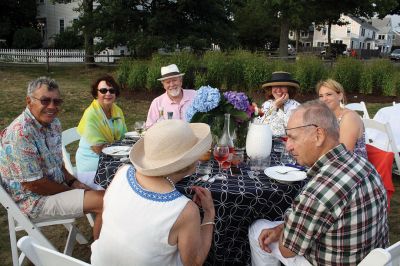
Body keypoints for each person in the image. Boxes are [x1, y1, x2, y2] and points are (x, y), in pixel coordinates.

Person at [248, 100, 388, 265]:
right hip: (369, 258)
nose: (288, 147)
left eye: (293, 137)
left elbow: (287, 250)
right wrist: (282, 228)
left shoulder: (319, 191)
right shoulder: (365, 166)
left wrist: (286, 227)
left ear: (318, 135)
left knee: (257, 229)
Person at [91, 119, 215, 265]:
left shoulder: (122, 172)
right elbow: (194, 263)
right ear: (189, 161)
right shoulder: (185, 210)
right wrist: (209, 213)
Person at [0, 77, 104, 239]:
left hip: (55, 185)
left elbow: (58, 163)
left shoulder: (53, 123)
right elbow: (33, 184)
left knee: (112, 185)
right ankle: (101, 256)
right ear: (29, 101)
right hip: (33, 200)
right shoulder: (20, 133)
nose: (52, 107)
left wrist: (72, 181)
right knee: (104, 201)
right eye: (45, 100)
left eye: (56, 102)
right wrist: (71, 191)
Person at [76, 74, 127, 176]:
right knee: (127, 171)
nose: (108, 93)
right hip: (92, 161)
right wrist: (121, 149)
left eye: (111, 91)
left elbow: (123, 136)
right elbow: (98, 149)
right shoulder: (91, 114)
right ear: (96, 94)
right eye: (103, 91)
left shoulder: (117, 111)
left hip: (110, 156)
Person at [316, 78, 367, 159]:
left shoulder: (349, 118)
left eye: (329, 94)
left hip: (352, 166)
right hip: (332, 162)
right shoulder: (325, 118)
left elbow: (344, 154)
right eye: (321, 96)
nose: (324, 99)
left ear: (340, 96)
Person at [145, 64, 196, 128]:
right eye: (168, 82)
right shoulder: (157, 103)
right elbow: (149, 127)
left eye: (174, 80)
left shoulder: (194, 95)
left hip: (194, 136)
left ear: (181, 81)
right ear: (163, 85)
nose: (172, 84)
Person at [256, 71, 300, 136]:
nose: (278, 90)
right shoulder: (266, 104)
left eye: (282, 86)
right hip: (266, 142)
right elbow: (260, 125)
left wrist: (280, 107)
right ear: (271, 88)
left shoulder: (297, 107)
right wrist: (275, 106)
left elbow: (294, 129)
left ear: (288, 89)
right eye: (275, 86)